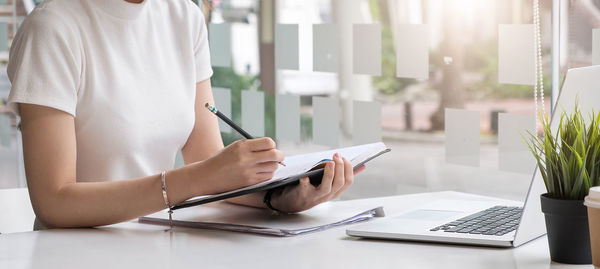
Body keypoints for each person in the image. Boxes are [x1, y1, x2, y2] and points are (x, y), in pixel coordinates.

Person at [6, 0, 364, 229]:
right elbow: (54, 201)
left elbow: (208, 162)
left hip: (163, 245)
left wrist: (280, 198)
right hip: (74, 256)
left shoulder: (184, 17)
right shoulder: (52, 28)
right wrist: (194, 179)